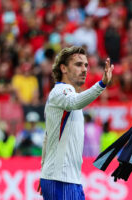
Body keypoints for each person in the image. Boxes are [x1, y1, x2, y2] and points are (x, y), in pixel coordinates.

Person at [38, 46, 113, 199]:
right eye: (78, 64)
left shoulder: (69, 95)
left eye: (86, 65)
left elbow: (47, 137)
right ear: (63, 68)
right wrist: (102, 84)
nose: (84, 69)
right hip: (60, 179)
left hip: (67, 179)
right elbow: (75, 102)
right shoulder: (61, 91)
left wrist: (44, 170)